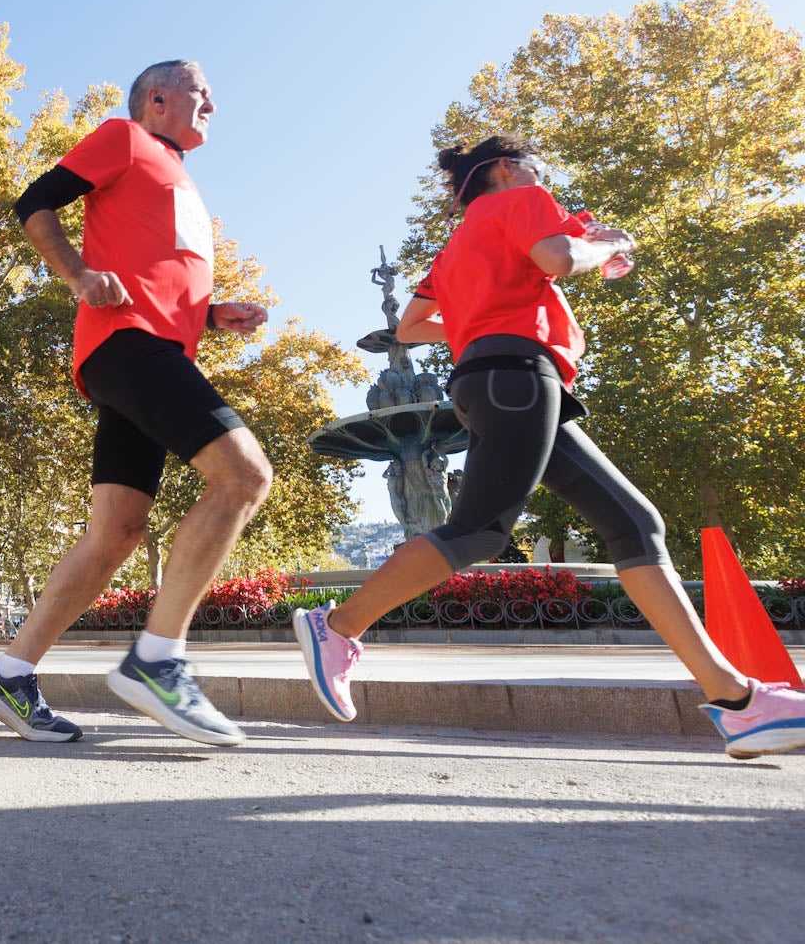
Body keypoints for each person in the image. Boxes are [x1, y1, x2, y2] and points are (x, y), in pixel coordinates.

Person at [294, 135, 805, 760]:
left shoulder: (459, 242)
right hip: (517, 375)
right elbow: (560, 258)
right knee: (479, 532)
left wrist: (483, 316)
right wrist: (608, 245)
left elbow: (410, 326)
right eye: (535, 166)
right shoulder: (526, 196)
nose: (543, 177)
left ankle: (736, 703)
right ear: (507, 168)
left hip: (498, 380)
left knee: (635, 524)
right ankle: (337, 624)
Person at [0, 60, 271, 746]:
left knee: (117, 531)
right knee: (245, 475)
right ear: (157, 100)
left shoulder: (180, 178)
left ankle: (8, 674)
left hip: (151, 350)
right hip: (127, 345)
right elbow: (34, 201)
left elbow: (159, 270)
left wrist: (213, 314)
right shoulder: (124, 137)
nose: (213, 106)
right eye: (202, 93)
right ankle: (157, 661)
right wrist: (77, 274)